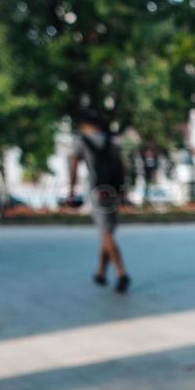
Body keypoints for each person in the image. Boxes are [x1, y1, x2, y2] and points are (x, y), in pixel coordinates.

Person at [68, 112, 131, 293]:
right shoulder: (112, 141)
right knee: (107, 232)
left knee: (106, 234)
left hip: (98, 191)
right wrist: (123, 190)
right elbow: (123, 166)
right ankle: (101, 273)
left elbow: (74, 167)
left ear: (84, 125)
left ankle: (121, 273)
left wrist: (71, 191)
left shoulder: (81, 141)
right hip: (114, 190)